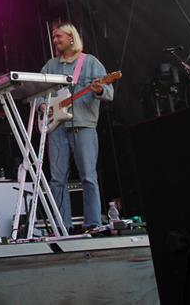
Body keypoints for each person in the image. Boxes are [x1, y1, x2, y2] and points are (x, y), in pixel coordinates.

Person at [42, 22, 114, 232]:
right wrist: (43, 105)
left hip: (84, 126)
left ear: (71, 38)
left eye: (59, 37)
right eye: (54, 37)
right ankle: (61, 226)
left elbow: (109, 93)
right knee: (57, 179)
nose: (55, 40)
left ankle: (92, 224)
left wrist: (100, 89)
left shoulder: (90, 62)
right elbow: (37, 93)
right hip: (57, 128)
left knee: (88, 177)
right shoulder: (50, 66)